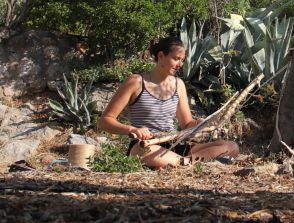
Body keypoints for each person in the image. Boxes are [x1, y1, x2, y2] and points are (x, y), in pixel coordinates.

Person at [98, 36, 239, 169]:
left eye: (182, 60)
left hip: (174, 144)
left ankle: (182, 163)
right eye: (176, 59)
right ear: (161, 56)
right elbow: (105, 121)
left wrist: (201, 123)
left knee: (231, 147)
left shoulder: (179, 85)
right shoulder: (136, 82)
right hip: (147, 145)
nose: (180, 64)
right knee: (142, 150)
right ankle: (190, 163)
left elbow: (186, 125)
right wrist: (133, 130)